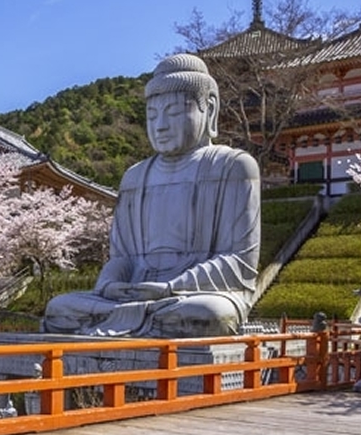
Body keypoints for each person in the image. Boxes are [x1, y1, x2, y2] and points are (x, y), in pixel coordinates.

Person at [42, 53, 260, 338]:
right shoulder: (135, 177)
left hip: (191, 296)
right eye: (152, 115)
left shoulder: (233, 166)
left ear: (210, 109)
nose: (160, 126)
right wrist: (111, 283)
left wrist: (174, 286)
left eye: (173, 113)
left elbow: (239, 262)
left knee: (210, 315)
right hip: (130, 295)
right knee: (59, 308)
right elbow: (122, 257)